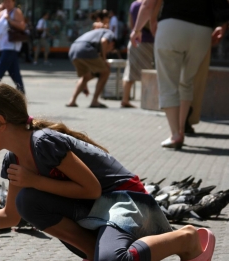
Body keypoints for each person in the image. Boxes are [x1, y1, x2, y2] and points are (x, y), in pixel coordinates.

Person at [0, 82, 215, 261]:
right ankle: (95, 259)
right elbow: (12, 216)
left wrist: (36, 181)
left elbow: (91, 190)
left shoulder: (44, 142)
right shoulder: (14, 160)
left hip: (125, 202)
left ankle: (185, 239)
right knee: (28, 201)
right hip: (97, 207)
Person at [130, 0, 225, 149]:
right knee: (186, 82)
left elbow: (148, 4)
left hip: (171, 26)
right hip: (203, 30)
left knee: (168, 82)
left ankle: (175, 134)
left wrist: (137, 29)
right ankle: (181, 129)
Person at [66, 28, 115, 108]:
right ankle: (94, 101)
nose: (108, 51)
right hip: (85, 49)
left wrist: (84, 85)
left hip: (73, 50)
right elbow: (104, 41)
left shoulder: (96, 33)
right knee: (106, 72)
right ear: (112, 43)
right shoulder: (109, 33)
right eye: (110, 50)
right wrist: (104, 59)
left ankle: (72, 101)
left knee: (86, 76)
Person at [0, 0, 26, 94]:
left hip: (11, 46)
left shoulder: (16, 11)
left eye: (9, 2)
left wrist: (10, 20)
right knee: (14, 73)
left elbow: (22, 26)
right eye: (5, 2)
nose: (7, 4)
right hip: (4, 46)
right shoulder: (3, 12)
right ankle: (21, 93)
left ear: (13, 2)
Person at [121, 0, 154, 108]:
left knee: (130, 72)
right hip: (147, 41)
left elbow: (131, 24)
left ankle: (125, 99)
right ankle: (147, 101)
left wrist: (136, 30)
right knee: (148, 73)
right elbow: (151, 22)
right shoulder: (149, 4)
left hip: (134, 40)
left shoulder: (134, 4)